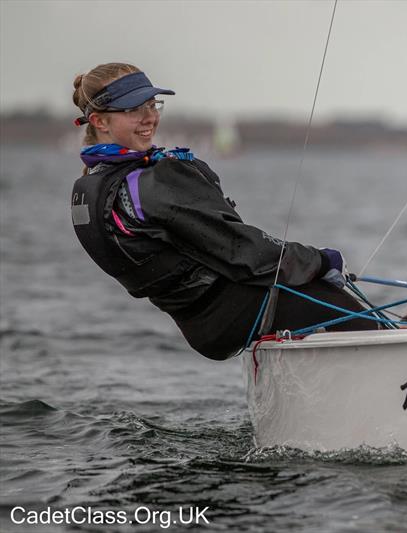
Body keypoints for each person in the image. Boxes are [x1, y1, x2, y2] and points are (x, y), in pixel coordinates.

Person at [70, 63, 377, 360]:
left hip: (200, 326)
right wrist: (322, 260)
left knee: (307, 293)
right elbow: (241, 250)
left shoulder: (90, 186)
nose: (149, 117)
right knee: (343, 308)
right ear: (99, 121)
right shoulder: (149, 183)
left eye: (153, 105)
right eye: (134, 109)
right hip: (234, 312)